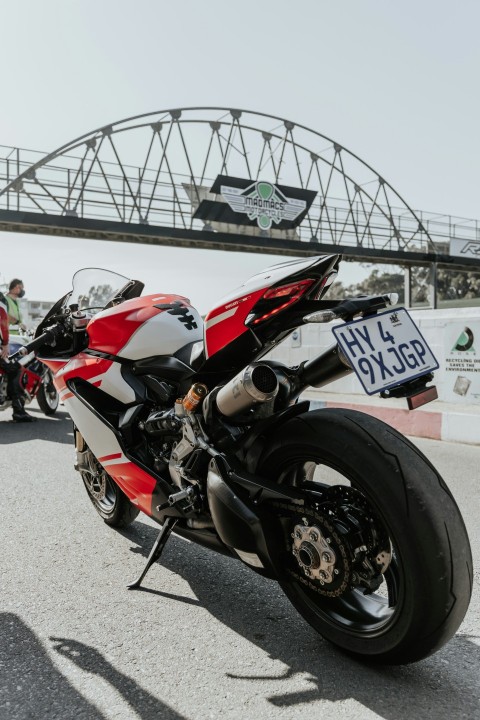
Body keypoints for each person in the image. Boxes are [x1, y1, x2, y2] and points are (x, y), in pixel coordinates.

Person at [0, 290, 35, 422]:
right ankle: (19, 410)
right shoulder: (1, 301)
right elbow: (3, 322)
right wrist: (4, 344)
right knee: (15, 369)